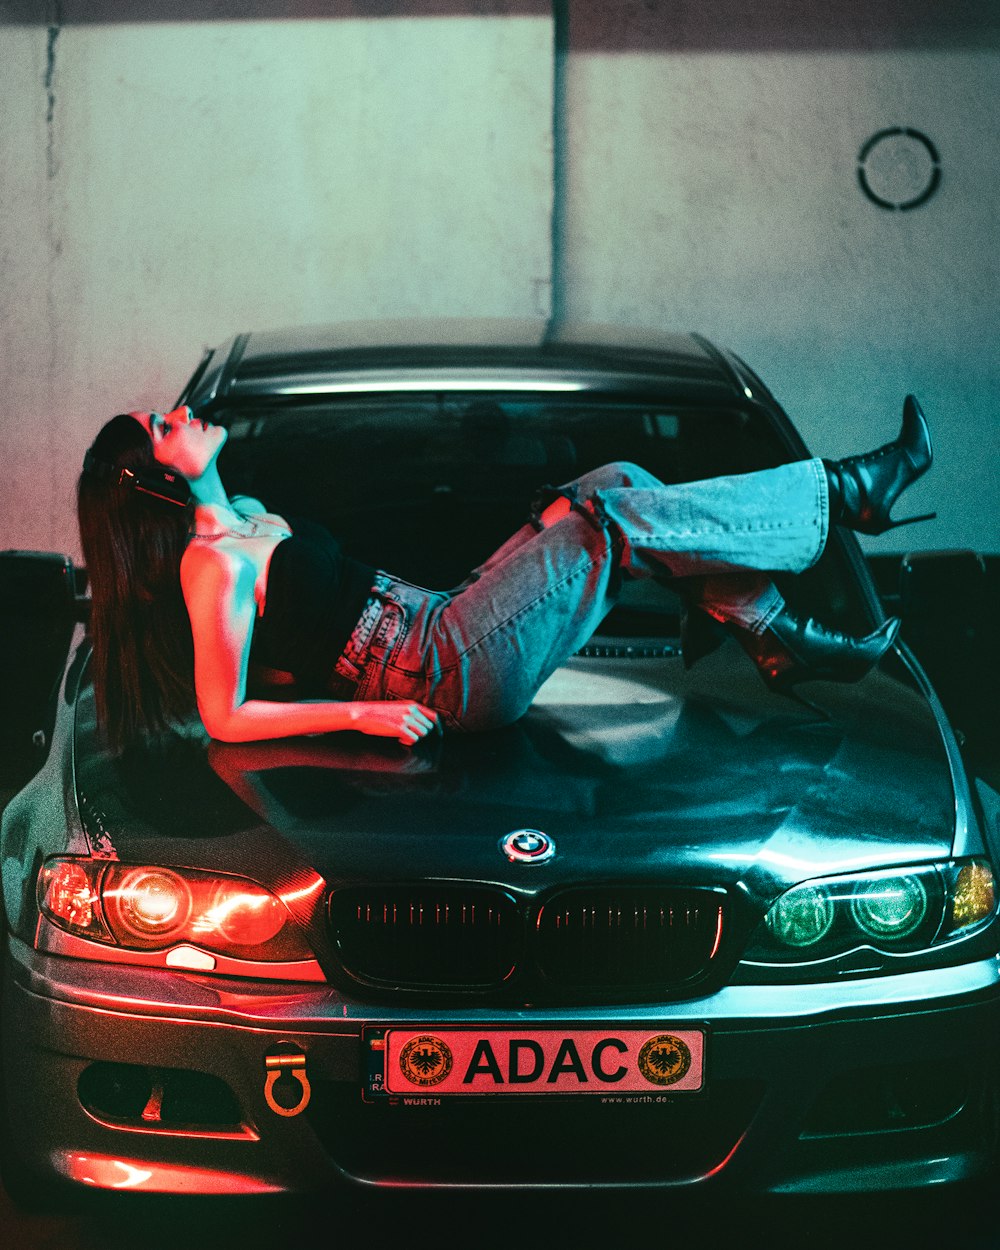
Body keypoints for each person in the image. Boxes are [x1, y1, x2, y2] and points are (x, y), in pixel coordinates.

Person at [77, 397, 934, 750]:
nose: (181, 414)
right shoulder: (208, 567)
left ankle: (773, 631)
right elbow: (224, 717)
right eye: (162, 424)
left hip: (447, 616)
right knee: (609, 520)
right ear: (154, 476)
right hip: (446, 671)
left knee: (618, 483)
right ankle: (844, 492)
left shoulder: (252, 511)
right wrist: (363, 714)